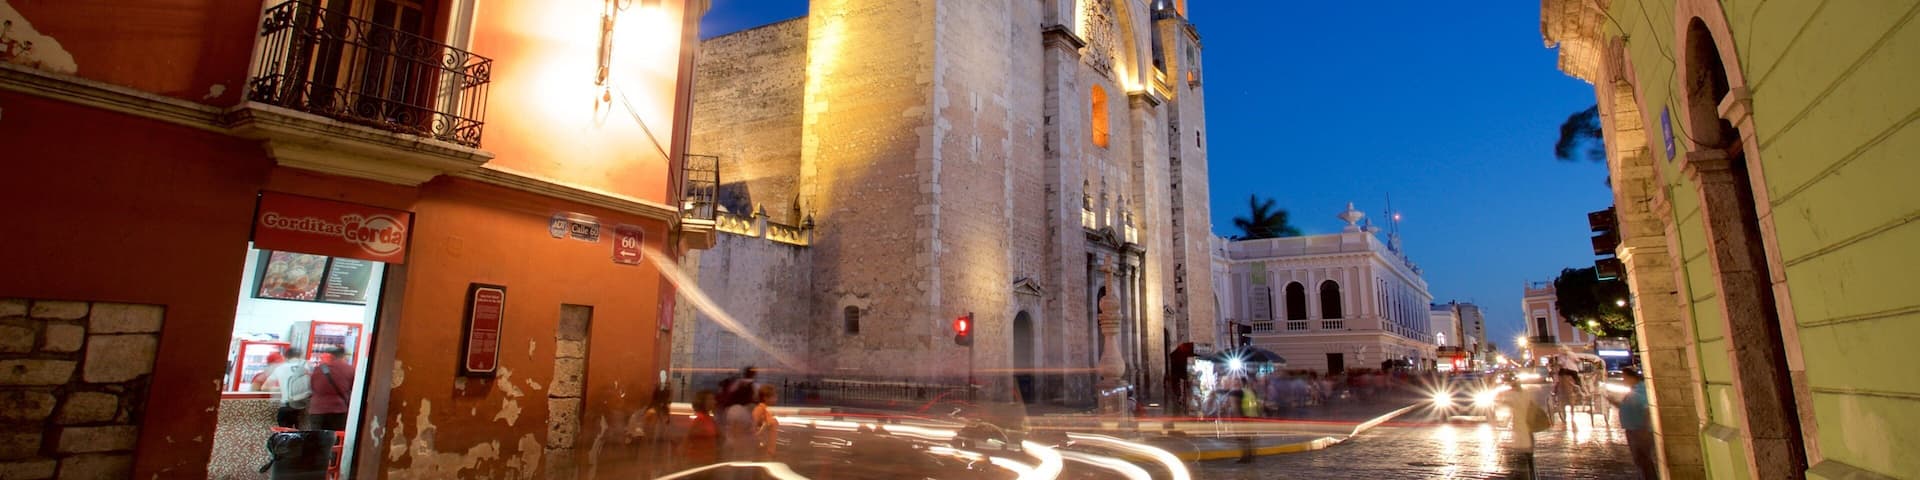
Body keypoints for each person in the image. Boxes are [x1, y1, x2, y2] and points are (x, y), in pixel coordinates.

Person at [1608, 369, 1658, 479]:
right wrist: (1612, 401)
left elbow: (1647, 410)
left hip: (1640, 431)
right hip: (1633, 430)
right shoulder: (1633, 390)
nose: (1623, 380)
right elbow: (1627, 407)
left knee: (1644, 460)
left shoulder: (1641, 390)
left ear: (1632, 377)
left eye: (1624, 378)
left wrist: (1645, 429)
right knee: (1640, 460)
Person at [1501, 378, 1548, 479]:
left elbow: (1505, 402)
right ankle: (1531, 471)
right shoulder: (1526, 394)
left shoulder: (1513, 396)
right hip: (1528, 426)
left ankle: (1526, 472)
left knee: (1522, 455)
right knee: (1528, 454)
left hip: (1521, 429)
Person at [305, 345, 355, 431]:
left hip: (317, 409)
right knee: (335, 439)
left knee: (317, 438)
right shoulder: (349, 369)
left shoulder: (319, 369)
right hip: (338, 410)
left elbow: (312, 387)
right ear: (343, 356)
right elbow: (353, 389)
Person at [266, 347, 310, 429]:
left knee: (285, 434)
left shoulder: (280, 368)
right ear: (301, 356)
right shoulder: (307, 367)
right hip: (304, 407)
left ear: (286, 357)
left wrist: (283, 388)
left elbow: (265, 387)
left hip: (286, 405)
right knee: (301, 434)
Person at [683, 390, 721, 468]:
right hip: (699, 462)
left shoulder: (710, 419)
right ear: (703, 402)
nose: (714, 402)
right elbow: (687, 440)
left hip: (708, 461)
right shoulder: (700, 419)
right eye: (710, 399)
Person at [752, 384, 779, 459]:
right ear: (765, 398)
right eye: (774, 397)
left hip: (769, 450)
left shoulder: (769, 410)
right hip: (763, 451)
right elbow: (754, 429)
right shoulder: (759, 410)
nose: (776, 399)